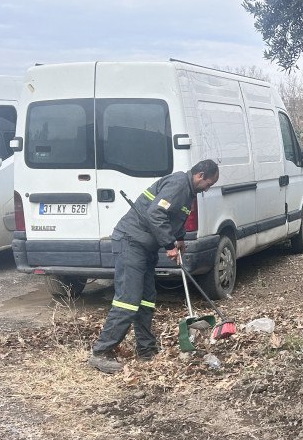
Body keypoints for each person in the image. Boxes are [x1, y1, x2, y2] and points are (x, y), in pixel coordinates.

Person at [88, 159, 220, 373]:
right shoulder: (178, 184)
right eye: (209, 183)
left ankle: (146, 350)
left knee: (147, 299)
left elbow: (175, 216)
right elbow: (155, 213)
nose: (208, 188)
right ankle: (101, 352)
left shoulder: (188, 191)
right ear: (200, 176)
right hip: (131, 242)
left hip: (145, 247)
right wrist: (168, 245)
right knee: (128, 300)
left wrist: (179, 239)